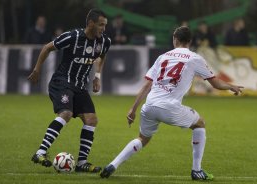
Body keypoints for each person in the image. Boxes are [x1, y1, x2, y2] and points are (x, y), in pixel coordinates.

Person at [100, 26, 243, 180]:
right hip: (169, 107)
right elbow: (215, 83)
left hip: (149, 106)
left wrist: (132, 109)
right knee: (200, 124)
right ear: (190, 41)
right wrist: (231, 86)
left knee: (142, 138)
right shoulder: (195, 58)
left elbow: (146, 85)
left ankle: (112, 164)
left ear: (175, 39)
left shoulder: (162, 57)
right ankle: (197, 171)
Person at [28, 9, 111, 173]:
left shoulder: (104, 41)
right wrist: (37, 70)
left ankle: (81, 163)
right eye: (101, 25)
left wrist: (98, 76)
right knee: (66, 113)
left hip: (80, 86)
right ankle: (40, 152)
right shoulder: (72, 36)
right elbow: (47, 48)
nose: (103, 28)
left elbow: (102, 55)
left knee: (92, 120)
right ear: (91, 23)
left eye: (105, 25)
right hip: (62, 82)